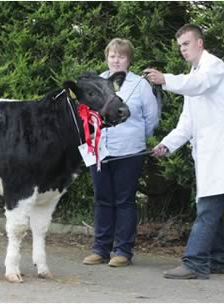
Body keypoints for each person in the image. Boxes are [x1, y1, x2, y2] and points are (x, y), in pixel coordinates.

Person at [144, 24, 224, 279]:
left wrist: (165, 79)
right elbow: (186, 123)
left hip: (223, 153)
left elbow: (197, 84)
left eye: (186, 43)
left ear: (200, 43)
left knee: (207, 208)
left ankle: (194, 263)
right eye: (180, 45)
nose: (183, 49)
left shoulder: (213, 67)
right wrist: (166, 145)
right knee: (208, 207)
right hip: (210, 156)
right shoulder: (193, 77)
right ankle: (221, 260)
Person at [83, 38, 159, 267]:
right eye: (113, 55)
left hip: (129, 152)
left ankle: (123, 251)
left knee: (124, 200)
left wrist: (134, 137)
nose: (116, 60)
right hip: (99, 150)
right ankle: (100, 249)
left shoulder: (141, 85)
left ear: (129, 59)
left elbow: (151, 118)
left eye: (121, 56)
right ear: (107, 57)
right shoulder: (95, 83)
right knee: (102, 199)